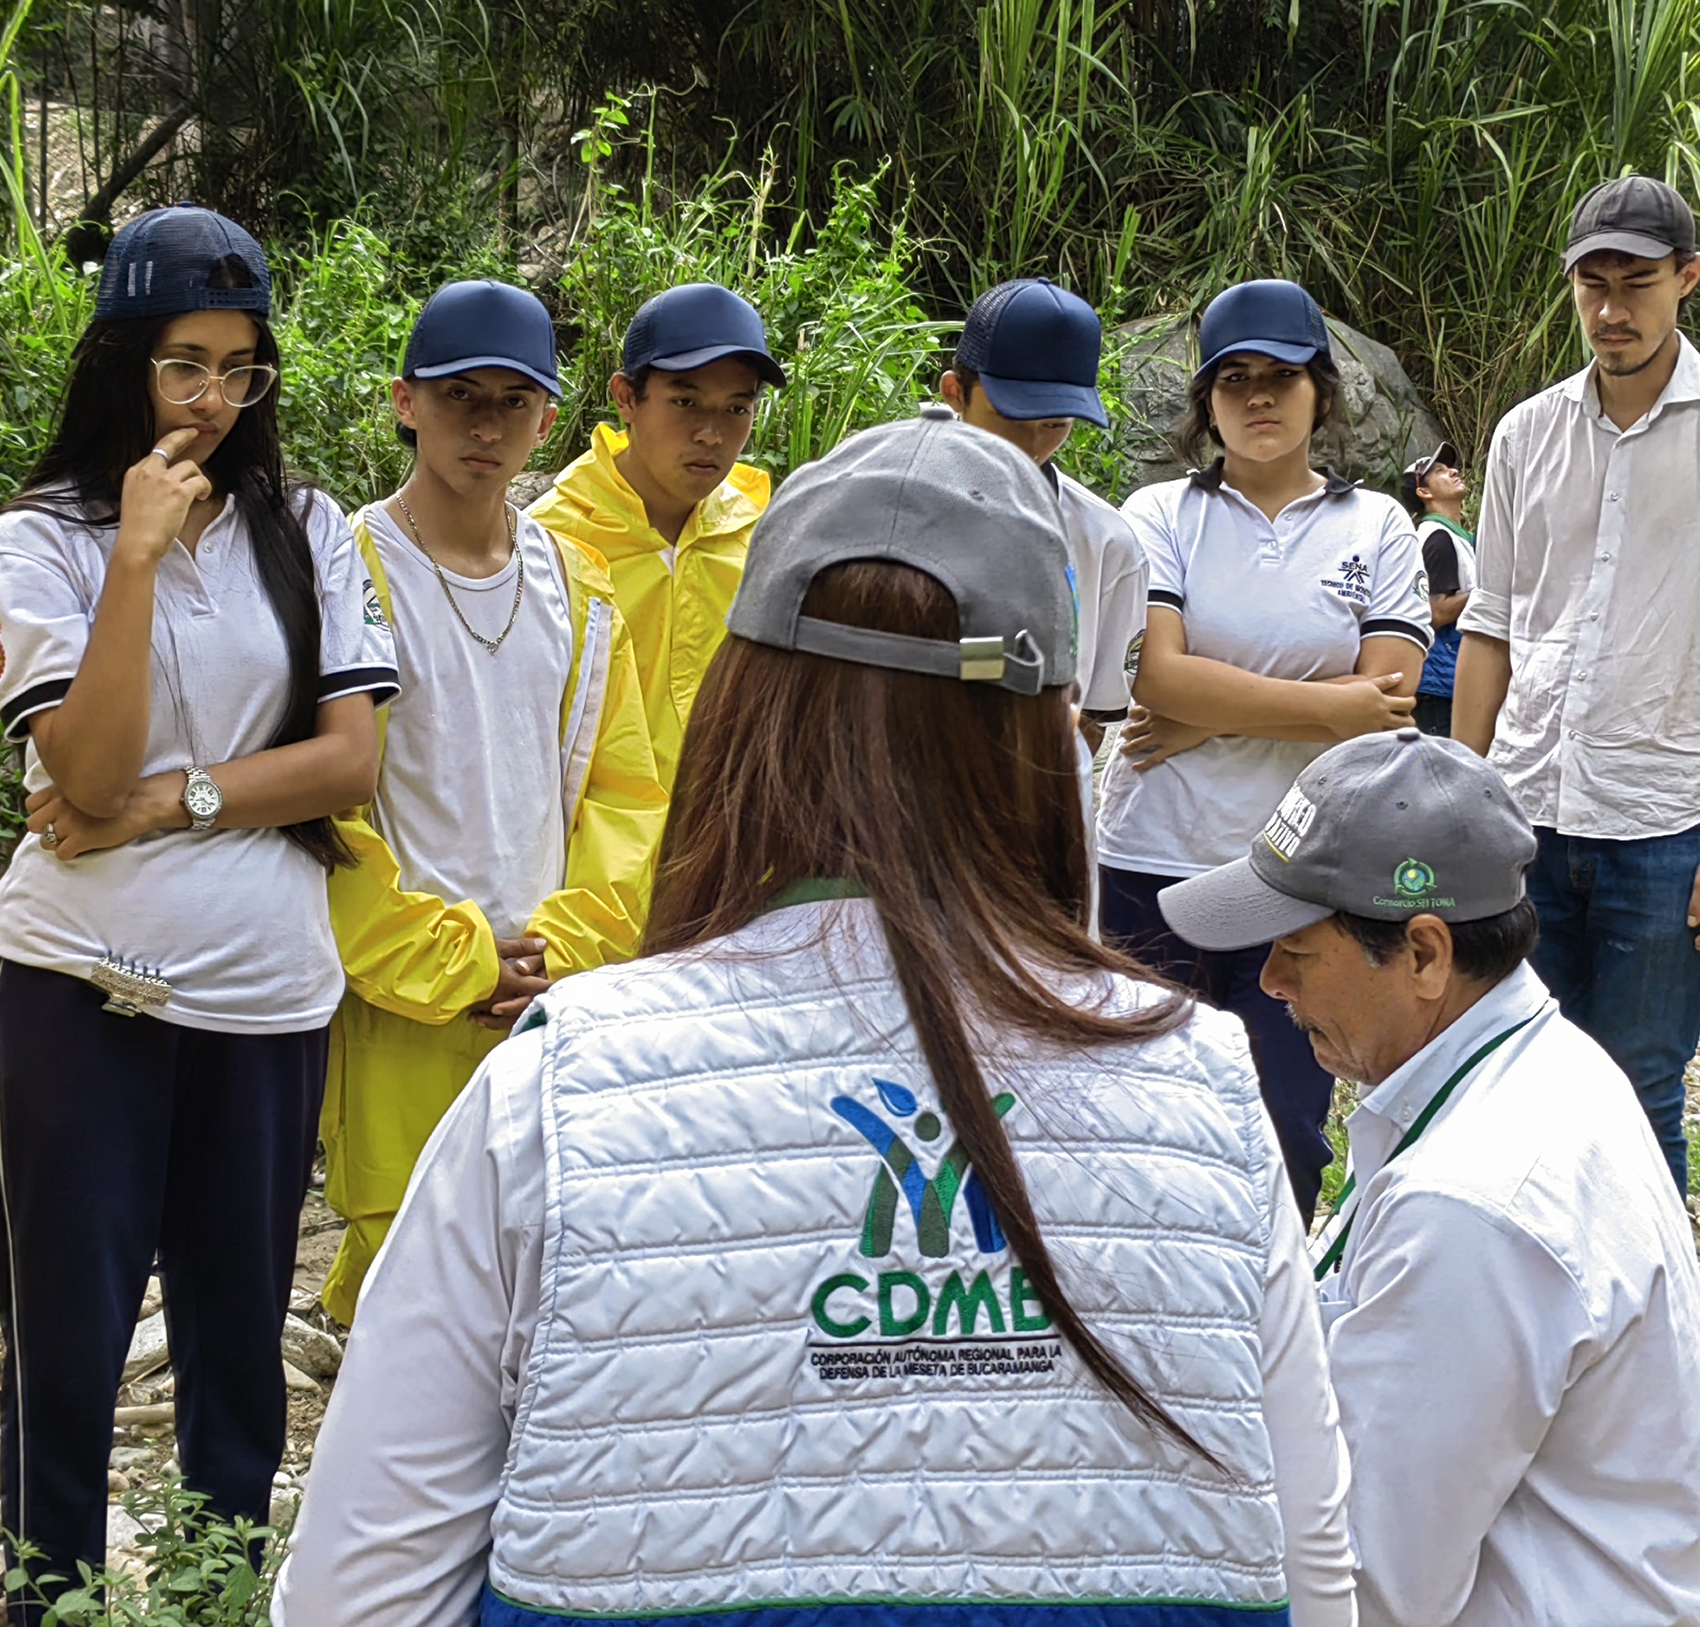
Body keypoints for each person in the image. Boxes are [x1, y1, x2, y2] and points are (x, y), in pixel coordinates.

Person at [274, 406, 1356, 1627]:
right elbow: (1314, 1574)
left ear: (738, 712)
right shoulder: (1202, 1087)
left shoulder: (558, 1092)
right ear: (1050, 737)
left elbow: (354, 1594)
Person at [0, 206, 395, 1607]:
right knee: (69, 1332)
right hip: (75, 990)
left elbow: (350, 760)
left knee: (236, 1346)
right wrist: (138, 555)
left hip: (265, 994)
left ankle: (222, 1596)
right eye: (184, 366)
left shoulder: (309, 527)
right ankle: (46, 1595)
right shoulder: (40, 540)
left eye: (241, 369)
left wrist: (169, 802)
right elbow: (82, 762)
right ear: (122, 363)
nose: (216, 402)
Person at [1156, 729, 1700, 1627]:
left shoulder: (1469, 1205)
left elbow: (1370, 1588)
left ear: (1426, 953)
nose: (1272, 981)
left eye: (1297, 948)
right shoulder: (1546, 1063)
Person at [1452, 175, 1700, 1194]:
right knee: (1507, 1069)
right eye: (1591, 284)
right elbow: (1491, 626)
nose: (1612, 310)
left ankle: (1643, 1329)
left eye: (1637, 284)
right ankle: (1522, 1301)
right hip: (1524, 810)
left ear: (1687, 279)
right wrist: (1457, 794)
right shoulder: (1525, 435)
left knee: (1641, 1081)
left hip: (1663, 824)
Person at [319, 280, 667, 1325]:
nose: (485, 423)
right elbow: (327, 806)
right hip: (403, 998)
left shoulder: (579, 582)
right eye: (458, 394)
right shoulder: (343, 567)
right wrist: (442, 957)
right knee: (404, 1288)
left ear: (548, 419)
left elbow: (626, 791)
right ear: (403, 402)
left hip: (544, 1001)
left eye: (513, 401)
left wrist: (570, 946)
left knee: (541, 1280)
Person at [1094, 278, 1431, 1220]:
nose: (1258, 397)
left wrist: (1209, 714)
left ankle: (1272, 1334)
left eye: (1281, 376)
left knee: (1285, 1120)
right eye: (1233, 379)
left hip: (1302, 871)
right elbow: (1154, 679)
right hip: (1151, 857)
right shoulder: (1159, 513)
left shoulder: (1379, 526)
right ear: (1205, 403)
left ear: (1322, 392)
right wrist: (1328, 707)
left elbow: (1391, 702)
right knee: (1140, 1111)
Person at [528, 282, 779, 790]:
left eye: (736, 409)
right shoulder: (549, 543)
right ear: (626, 398)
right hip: (588, 863)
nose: (711, 433)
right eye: (685, 401)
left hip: (727, 854)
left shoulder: (764, 540)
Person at [936, 276, 1147, 754]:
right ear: (954, 392)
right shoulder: (884, 504)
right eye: (1008, 416)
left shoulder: (1106, 543)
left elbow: (1093, 715)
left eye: (1054, 423)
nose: (1030, 445)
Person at [1399, 441, 1474, 738]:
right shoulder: (1437, 537)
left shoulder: (1452, 536)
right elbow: (1437, 610)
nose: (1453, 472)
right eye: (1440, 471)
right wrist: (1492, 590)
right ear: (1424, 492)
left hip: (1446, 681)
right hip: (1438, 684)